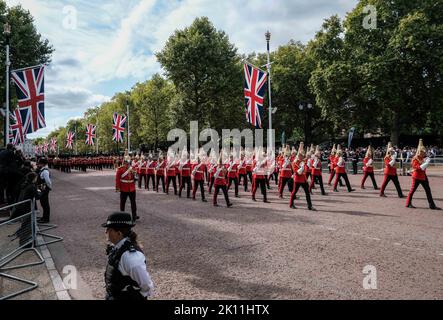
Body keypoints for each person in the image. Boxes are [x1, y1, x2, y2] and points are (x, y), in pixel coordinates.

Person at [102, 212, 154, 300]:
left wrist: (136, 296)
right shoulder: (118, 248)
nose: (105, 231)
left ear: (119, 233)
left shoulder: (130, 257)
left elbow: (146, 284)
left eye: (109, 229)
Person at [406, 139, 441, 210]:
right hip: (417, 176)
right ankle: (408, 203)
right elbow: (419, 168)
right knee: (412, 190)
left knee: (428, 190)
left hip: (423, 176)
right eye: (423, 152)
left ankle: (432, 205)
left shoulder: (422, 158)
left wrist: (425, 161)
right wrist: (426, 163)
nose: (424, 153)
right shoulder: (415, 159)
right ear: (420, 152)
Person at [289, 142, 315, 210]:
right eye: (301, 155)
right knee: (294, 192)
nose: (302, 156)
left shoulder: (303, 161)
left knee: (307, 193)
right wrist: (302, 168)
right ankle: (291, 204)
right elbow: (296, 172)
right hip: (297, 179)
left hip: (304, 179)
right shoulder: (294, 162)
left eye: (302, 155)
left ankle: (310, 206)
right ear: (298, 155)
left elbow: (307, 166)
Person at [115, 156, 139, 221]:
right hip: (123, 188)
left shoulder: (133, 168)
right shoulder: (120, 169)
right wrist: (118, 188)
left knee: (133, 203)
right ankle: (122, 215)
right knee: (122, 203)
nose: (127, 163)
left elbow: (136, 178)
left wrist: (135, 174)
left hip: (132, 188)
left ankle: (134, 215)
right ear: (124, 162)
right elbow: (117, 179)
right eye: (126, 162)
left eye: (128, 162)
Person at [37, 158, 52, 223]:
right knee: (43, 203)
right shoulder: (42, 170)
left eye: (39, 163)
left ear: (42, 164)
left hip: (44, 188)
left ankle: (46, 218)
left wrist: (49, 187)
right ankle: (44, 217)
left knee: (45, 203)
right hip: (42, 188)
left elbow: (48, 181)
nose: (38, 164)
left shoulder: (45, 171)